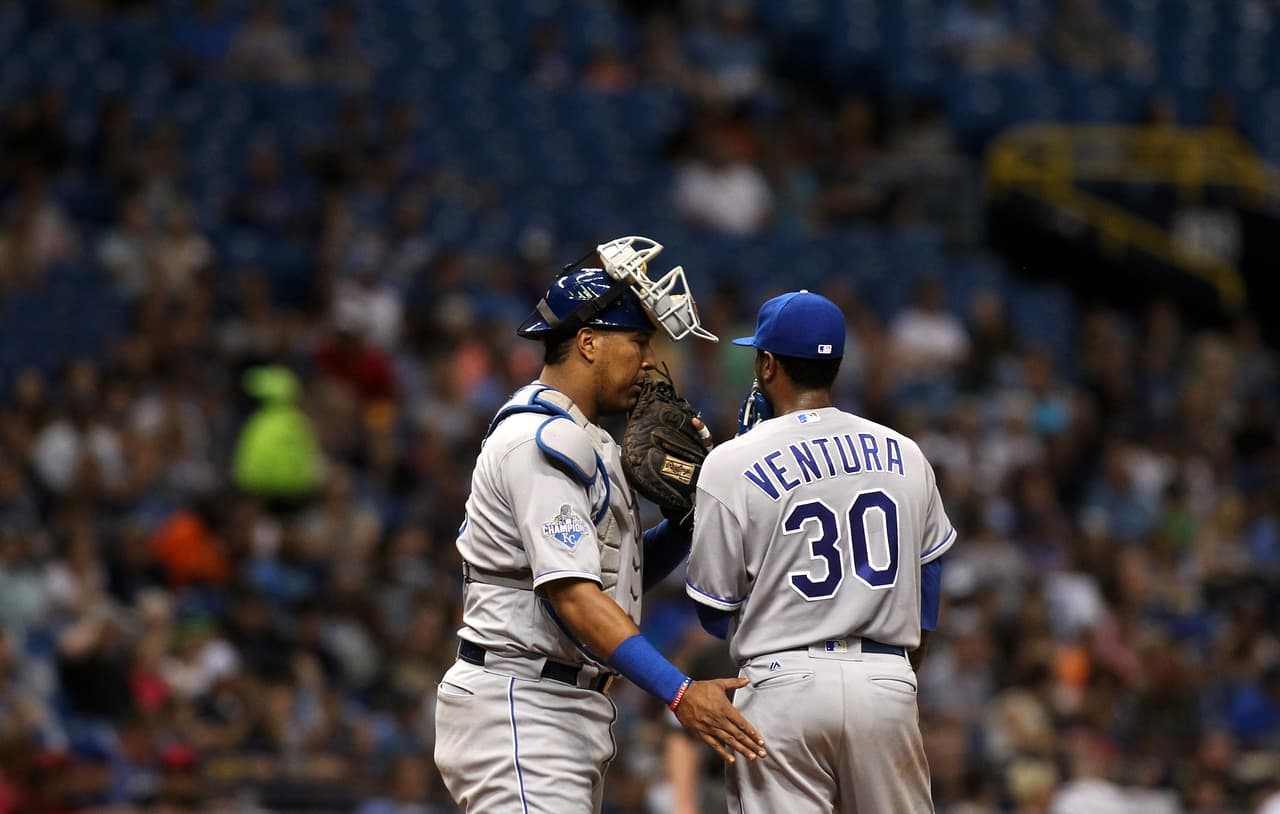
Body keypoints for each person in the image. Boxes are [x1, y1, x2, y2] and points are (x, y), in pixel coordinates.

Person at [434, 236, 766, 813]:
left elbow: (618, 571)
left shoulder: (588, 439)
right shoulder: (539, 441)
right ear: (587, 343)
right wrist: (680, 691)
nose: (647, 360)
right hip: (523, 699)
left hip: (554, 704)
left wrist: (687, 524)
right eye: (637, 341)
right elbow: (574, 596)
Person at [685, 289, 955, 813]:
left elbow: (713, 611)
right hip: (885, 678)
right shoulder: (905, 450)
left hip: (784, 686)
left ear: (766, 364)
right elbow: (929, 589)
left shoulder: (731, 461)